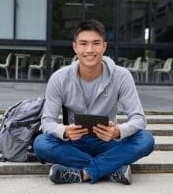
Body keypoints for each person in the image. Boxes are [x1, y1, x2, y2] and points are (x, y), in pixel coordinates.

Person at [33, 19, 154, 185]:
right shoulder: (59, 78)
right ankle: (112, 168)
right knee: (41, 143)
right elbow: (47, 121)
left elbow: (139, 118)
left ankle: (84, 173)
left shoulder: (121, 76)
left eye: (96, 43)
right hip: (75, 143)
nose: (89, 50)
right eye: (83, 44)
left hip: (108, 141)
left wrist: (118, 131)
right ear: (75, 47)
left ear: (104, 46)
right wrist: (65, 131)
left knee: (146, 140)